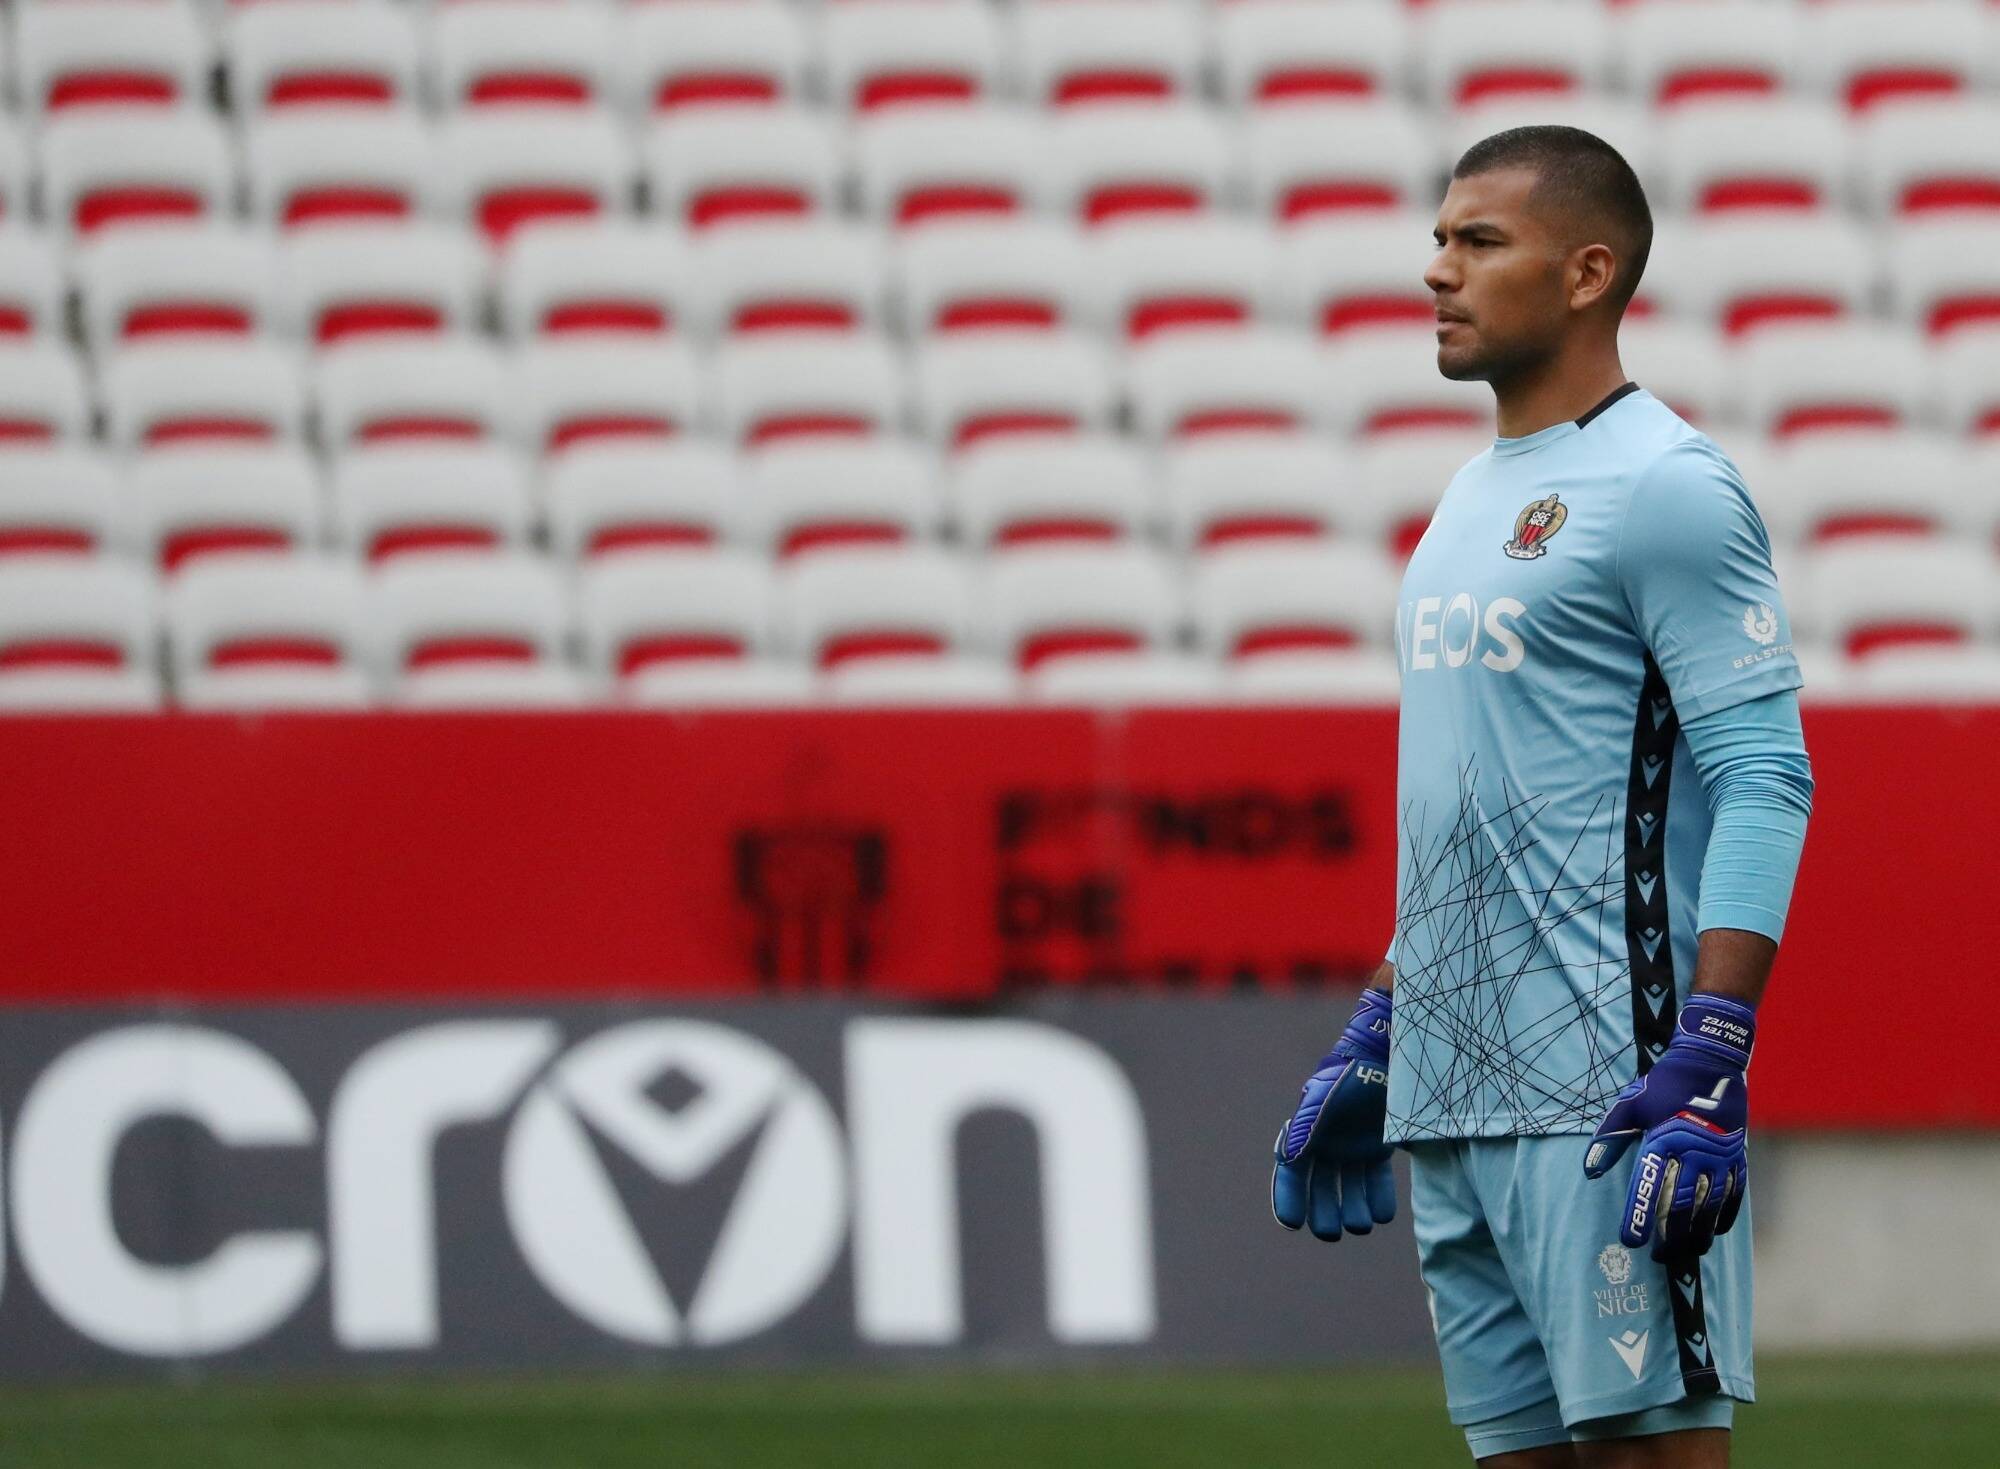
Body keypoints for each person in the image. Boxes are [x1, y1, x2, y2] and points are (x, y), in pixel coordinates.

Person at [1270, 126, 1815, 1468]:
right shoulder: (1467, 497)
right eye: (1440, 238)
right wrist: (1386, 1021)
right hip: (1456, 1098)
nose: (1435, 271)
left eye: (1477, 241)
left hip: (1606, 1094)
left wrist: (1714, 1048)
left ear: (1586, 272)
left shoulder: (1667, 488)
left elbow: (1765, 771)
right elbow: (1469, 801)